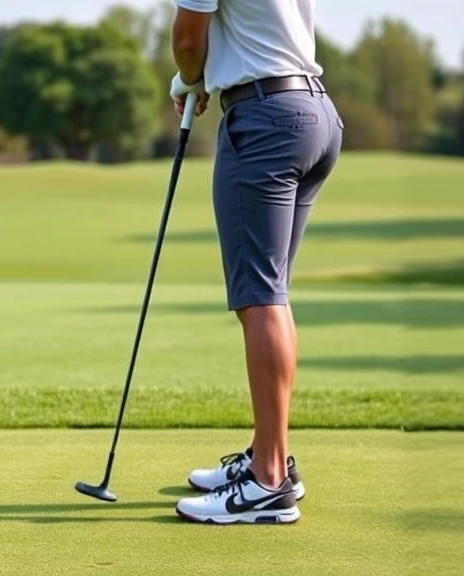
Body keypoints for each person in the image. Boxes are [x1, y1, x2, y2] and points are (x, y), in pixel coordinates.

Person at [167, 0, 343, 525]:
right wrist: (199, 77)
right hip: (315, 115)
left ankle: (267, 481)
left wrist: (188, 79)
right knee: (271, 295)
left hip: (264, 120)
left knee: (260, 298)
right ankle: (270, 456)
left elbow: (188, 40)